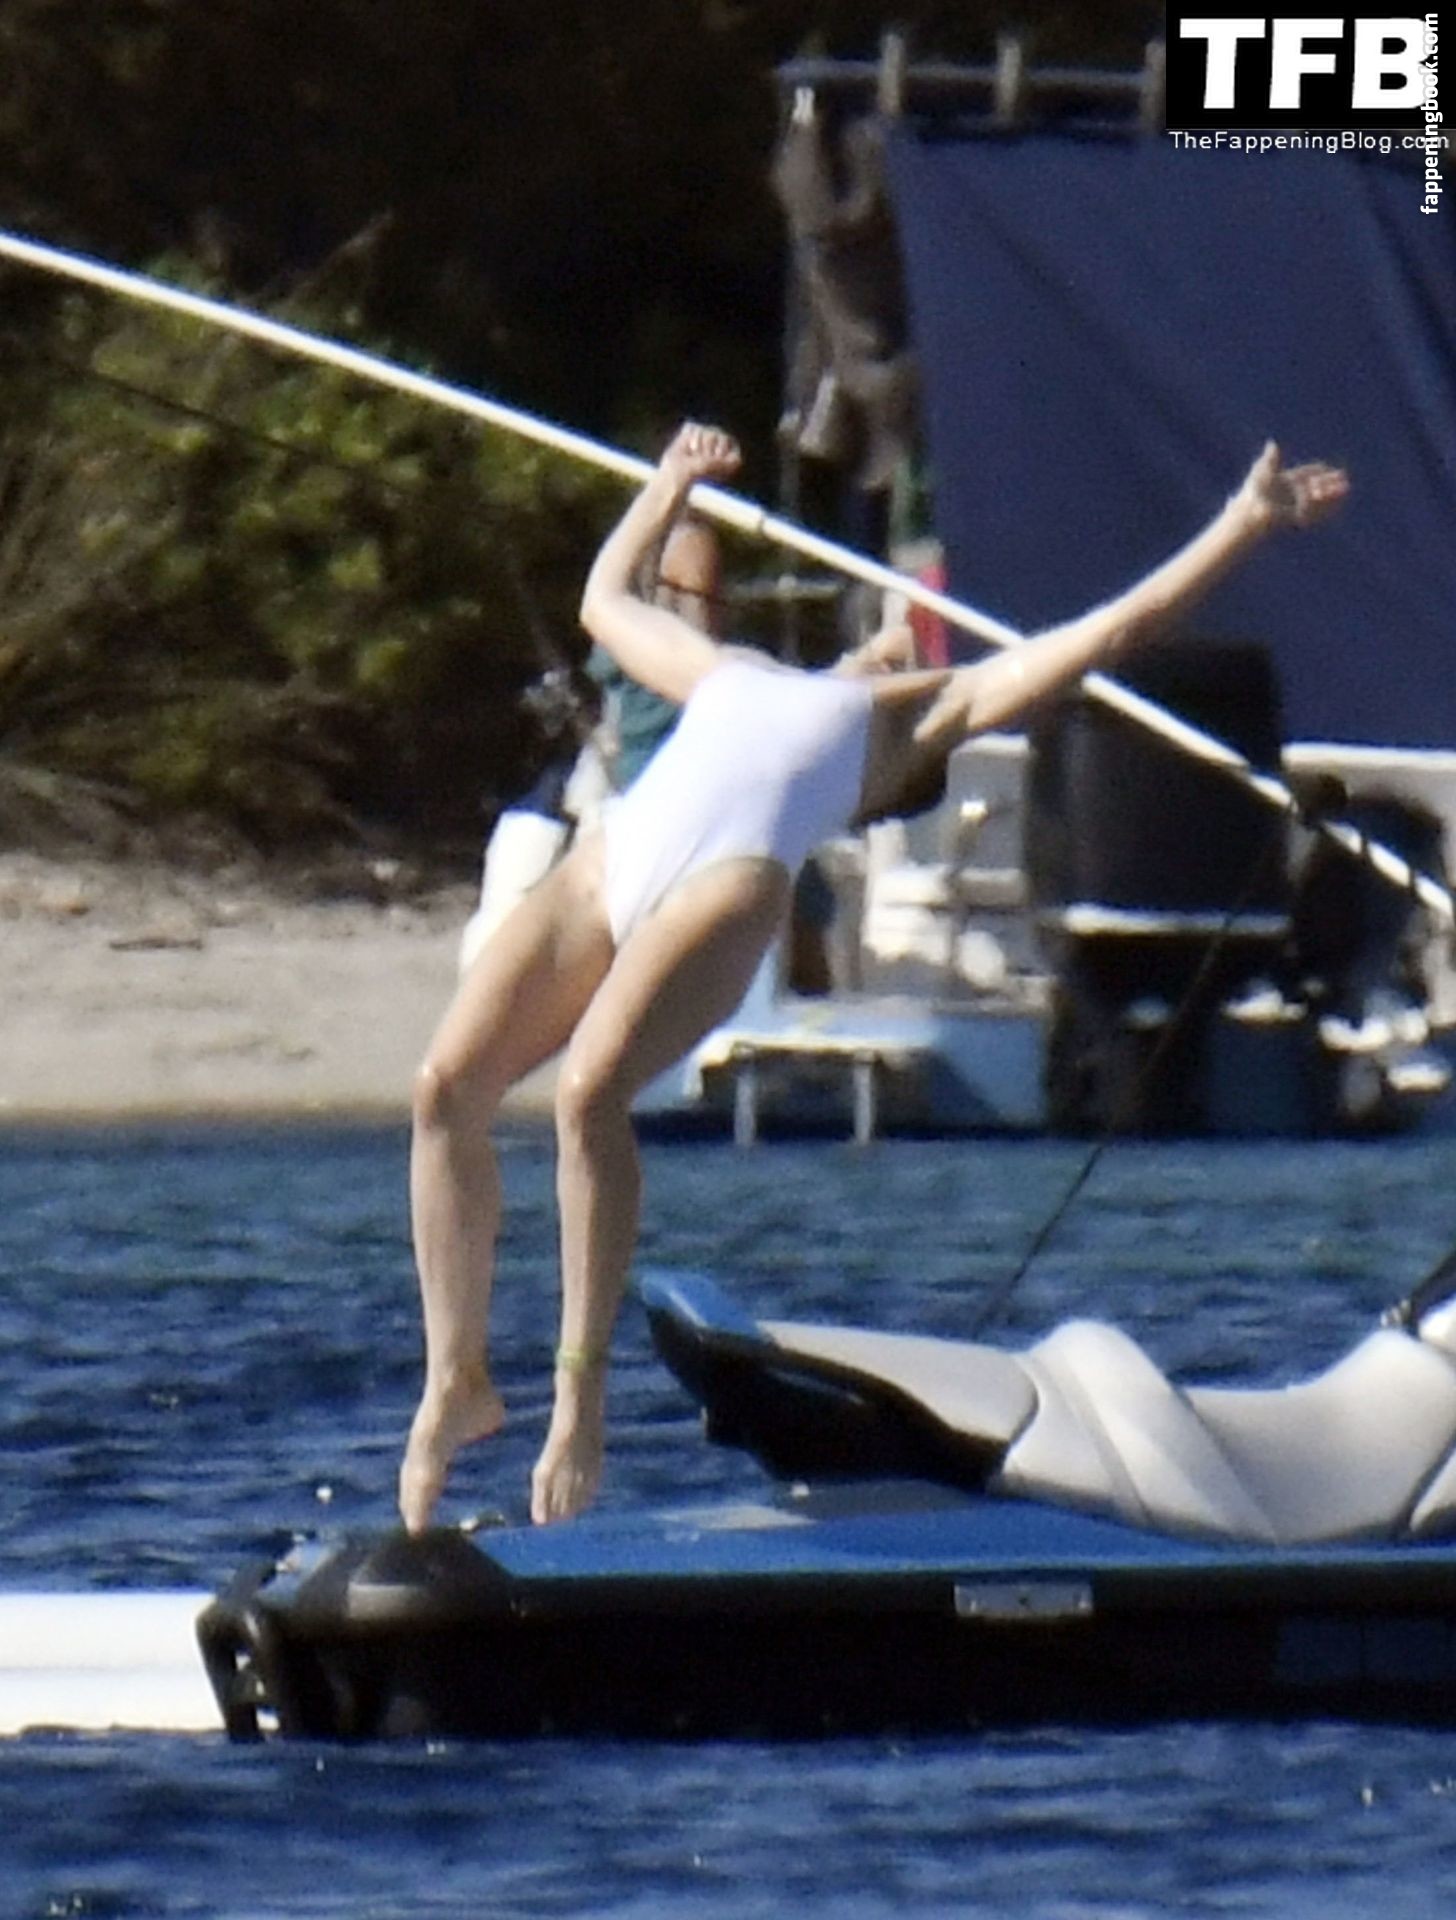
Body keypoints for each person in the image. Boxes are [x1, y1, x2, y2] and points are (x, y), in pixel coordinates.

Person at [399, 421, 1348, 1533]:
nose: (885, 645)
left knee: (584, 1096)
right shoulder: (730, 672)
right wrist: (671, 485)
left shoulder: (925, 716)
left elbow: (1113, 630)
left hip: (725, 887)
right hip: (609, 867)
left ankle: (577, 1402)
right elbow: (607, 601)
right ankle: (457, 1380)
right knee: (441, 1089)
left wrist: (1243, 523)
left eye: (899, 650)